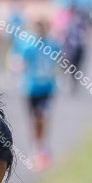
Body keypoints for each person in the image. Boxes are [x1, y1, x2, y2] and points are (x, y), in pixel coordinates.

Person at [16, 19, 60, 170]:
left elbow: (56, 64)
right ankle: (37, 146)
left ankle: (42, 146)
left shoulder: (52, 45)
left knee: (42, 116)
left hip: (46, 88)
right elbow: (18, 60)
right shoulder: (28, 45)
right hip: (31, 88)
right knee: (34, 119)